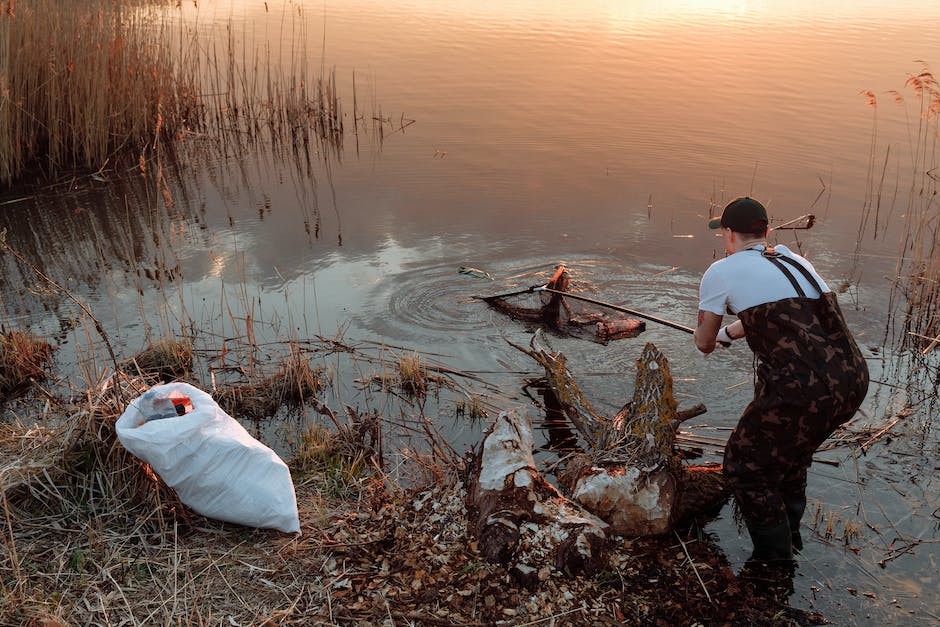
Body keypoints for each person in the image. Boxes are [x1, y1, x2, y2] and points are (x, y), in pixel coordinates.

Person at [694, 197, 869, 563]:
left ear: (727, 233)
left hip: (801, 389)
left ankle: (774, 564)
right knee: (792, 456)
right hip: (851, 379)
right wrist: (732, 333)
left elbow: (703, 343)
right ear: (766, 231)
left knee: (745, 467)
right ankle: (791, 540)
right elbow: (787, 315)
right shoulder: (794, 260)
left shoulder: (721, 271)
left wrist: (714, 336)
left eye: (723, 231)